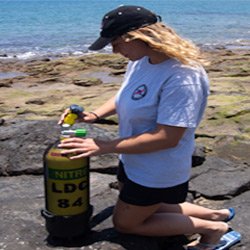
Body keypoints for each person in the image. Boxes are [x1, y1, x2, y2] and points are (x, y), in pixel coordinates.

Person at [58, 5, 235, 250]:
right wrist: (94, 115)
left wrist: (103, 147)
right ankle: (218, 214)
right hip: (133, 158)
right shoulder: (142, 60)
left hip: (158, 168)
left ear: (137, 37)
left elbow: (167, 137)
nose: (114, 50)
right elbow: (124, 96)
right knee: (154, 206)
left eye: (116, 43)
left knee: (125, 224)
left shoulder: (183, 75)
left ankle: (214, 230)